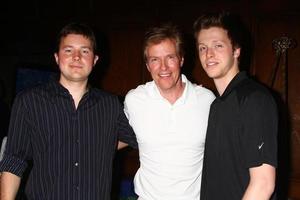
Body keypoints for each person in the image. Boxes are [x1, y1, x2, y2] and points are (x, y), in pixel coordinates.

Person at [0, 22, 137, 200]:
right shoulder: (28, 102)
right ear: (57, 57)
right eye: (68, 50)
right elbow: (14, 160)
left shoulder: (110, 105)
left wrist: (102, 143)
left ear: (94, 60)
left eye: (85, 51)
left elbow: (137, 135)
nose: (77, 57)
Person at [124, 24, 215, 200]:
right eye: (155, 60)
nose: (163, 67)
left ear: (181, 59)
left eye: (170, 57)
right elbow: (115, 137)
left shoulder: (206, 100)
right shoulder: (135, 100)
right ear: (148, 65)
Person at [194, 12, 278, 199]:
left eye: (218, 45)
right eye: (202, 48)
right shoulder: (216, 105)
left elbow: (263, 184)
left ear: (236, 50)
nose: (209, 54)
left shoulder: (255, 99)